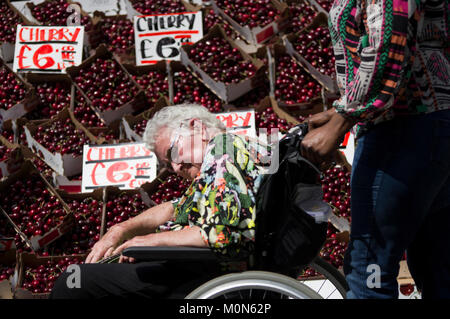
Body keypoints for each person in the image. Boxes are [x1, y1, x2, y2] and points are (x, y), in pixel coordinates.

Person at [300, 0, 450, 298]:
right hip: (430, 124)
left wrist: (344, 117)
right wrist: (340, 111)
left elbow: (390, 47)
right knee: (438, 262)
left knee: (369, 265)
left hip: (402, 128)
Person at [50, 104, 270, 298]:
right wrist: (121, 229)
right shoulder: (224, 161)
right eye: (168, 164)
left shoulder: (223, 148)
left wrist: (150, 242)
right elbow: (174, 208)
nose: (175, 168)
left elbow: (223, 233)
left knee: (73, 281)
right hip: (199, 269)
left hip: (207, 276)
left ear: (197, 127)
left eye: (173, 153)